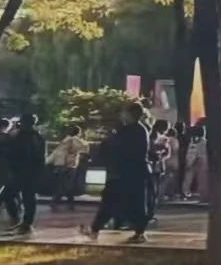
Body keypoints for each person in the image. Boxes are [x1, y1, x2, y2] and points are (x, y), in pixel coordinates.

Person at [85, 102, 151, 243]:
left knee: (118, 201)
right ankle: (96, 229)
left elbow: (118, 150)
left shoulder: (133, 131)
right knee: (121, 201)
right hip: (129, 172)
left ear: (130, 114)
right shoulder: (135, 130)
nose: (121, 115)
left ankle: (138, 232)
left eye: (124, 112)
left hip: (127, 173)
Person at [4, 114, 46, 235]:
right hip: (26, 172)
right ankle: (22, 222)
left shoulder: (25, 137)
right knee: (26, 198)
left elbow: (16, 153)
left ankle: (22, 222)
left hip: (24, 172)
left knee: (22, 197)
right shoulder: (35, 137)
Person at [47, 125, 89, 209]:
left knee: (65, 184)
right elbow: (85, 148)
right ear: (78, 133)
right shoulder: (75, 140)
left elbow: (56, 152)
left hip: (60, 164)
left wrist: (48, 161)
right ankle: (56, 201)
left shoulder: (64, 141)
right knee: (67, 185)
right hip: (69, 165)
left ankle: (69, 203)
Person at [181, 124, 208, 200]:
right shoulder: (196, 141)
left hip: (198, 161)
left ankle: (202, 194)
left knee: (200, 179)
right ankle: (187, 192)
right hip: (194, 161)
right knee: (191, 178)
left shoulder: (200, 142)